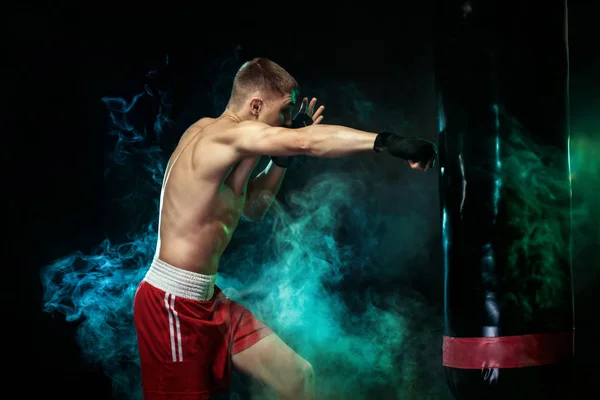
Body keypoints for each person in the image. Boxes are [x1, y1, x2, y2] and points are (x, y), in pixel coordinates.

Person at [133, 57, 437, 400]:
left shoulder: (231, 143)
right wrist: (389, 142)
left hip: (209, 300)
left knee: (297, 377)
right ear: (256, 105)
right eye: (285, 113)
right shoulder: (221, 138)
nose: (289, 123)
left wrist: (282, 156)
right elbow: (311, 141)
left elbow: (254, 207)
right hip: (171, 304)